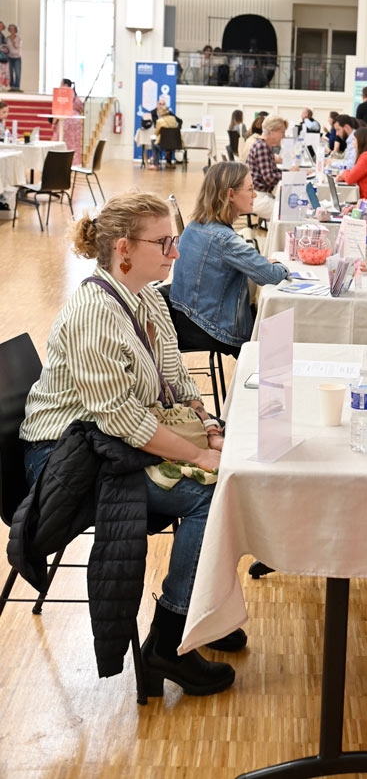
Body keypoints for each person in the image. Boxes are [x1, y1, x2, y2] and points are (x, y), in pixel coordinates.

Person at [18, 193, 247, 696]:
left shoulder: (143, 297)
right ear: (123, 249)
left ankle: (199, 609)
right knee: (211, 494)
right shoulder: (95, 313)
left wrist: (207, 426)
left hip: (109, 438)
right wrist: (198, 454)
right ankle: (168, 639)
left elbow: (174, 381)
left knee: (228, 472)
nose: (175, 253)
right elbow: (120, 418)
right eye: (164, 242)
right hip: (64, 459)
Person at [170, 162, 289, 351]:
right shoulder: (225, 239)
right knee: (278, 328)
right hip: (211, 328)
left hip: (187, 318)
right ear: (230, 194)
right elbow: (273, 276)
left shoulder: (195, 225)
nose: (255, 195)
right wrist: (282, 265)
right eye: (250, 189)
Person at [246, 115, 297, 220]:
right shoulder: (262, 147)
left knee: (290, 208)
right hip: (258, 197)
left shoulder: (263, 145)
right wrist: (290, 175)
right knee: (289, 214)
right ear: (272, 131)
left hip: (259, 194)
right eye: (282, 132)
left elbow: (272, 172)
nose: (284, 136)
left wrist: (288, 172)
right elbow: (270, 179)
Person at [337, 125, 367, 199]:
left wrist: (344, 173)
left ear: (361, 141)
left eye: (354, 140)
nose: (353, 143)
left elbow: (350, 179)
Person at [54, 79, 84, 166]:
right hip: (76, 121)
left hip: (65, 119)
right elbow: (81, 107)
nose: (59, 86)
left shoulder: (62, 94)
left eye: (61, 84)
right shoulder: (74, 94)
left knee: (63, 141)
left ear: (65, 85)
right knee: (74, 142)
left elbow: (59, 108)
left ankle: (60, 161)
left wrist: (54, 122)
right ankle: (74, 162)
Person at [149, 104, 180, 169]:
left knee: (153, 142)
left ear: (160, 112)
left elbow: (155, 134)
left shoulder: (159, 121)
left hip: (164, 146)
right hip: (175, 145)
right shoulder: (173, 119)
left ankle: (156, 164)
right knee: (169, 142)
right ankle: (168, 163)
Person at [7, 24, 21, 90]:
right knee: (10, 72)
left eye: (13, 29)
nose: (12, 30)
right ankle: (12, 87)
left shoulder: (18, 38)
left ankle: (17, 87)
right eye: (11, 29)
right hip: (9, 57)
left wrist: (13, 42)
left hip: (17, 57)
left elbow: (17, 47)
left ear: (15, 30)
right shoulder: (7, 38)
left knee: (17, 72)